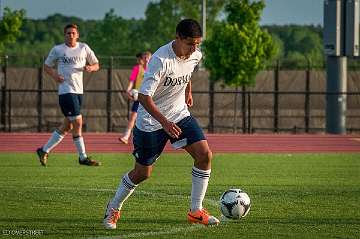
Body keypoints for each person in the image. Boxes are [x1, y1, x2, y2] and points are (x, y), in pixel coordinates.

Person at [103, 19, 219, 229]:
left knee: (205, 155)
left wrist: (187, 91)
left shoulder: (195, 55)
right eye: (190, 44)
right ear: (177, 38)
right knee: (142, 174)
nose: (194, 49)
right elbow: (144, 97)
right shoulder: (160, 59)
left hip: (179, 114)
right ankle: (113, 207)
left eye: (198, 44)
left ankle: (195, 211)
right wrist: (164, 123)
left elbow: (188, 71)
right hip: (150, 122)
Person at [36, 23, 101, 167]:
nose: (70, 35)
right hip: (66, 91)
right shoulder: (58, 49)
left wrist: (91, 67)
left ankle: (44, 150)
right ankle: (83, 157)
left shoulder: (84, 48)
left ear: (77, 35)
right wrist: (55, 75)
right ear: (64, 35)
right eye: (68, 33)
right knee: (78, 122)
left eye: (73, 33)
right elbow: (46, 66)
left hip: (79, 91)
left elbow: (97, 64)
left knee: (67, 126)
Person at [119, 51, 151, 144]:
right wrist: (128, 90)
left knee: (151, 119)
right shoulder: (137, 68)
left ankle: (151, 138)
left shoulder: (153, 69)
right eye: (144, 58)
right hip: (139, 97)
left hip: (150, 98)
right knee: (133, 117)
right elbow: (132, 81)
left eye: (148, 58)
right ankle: (126, 136)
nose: (146, 60)